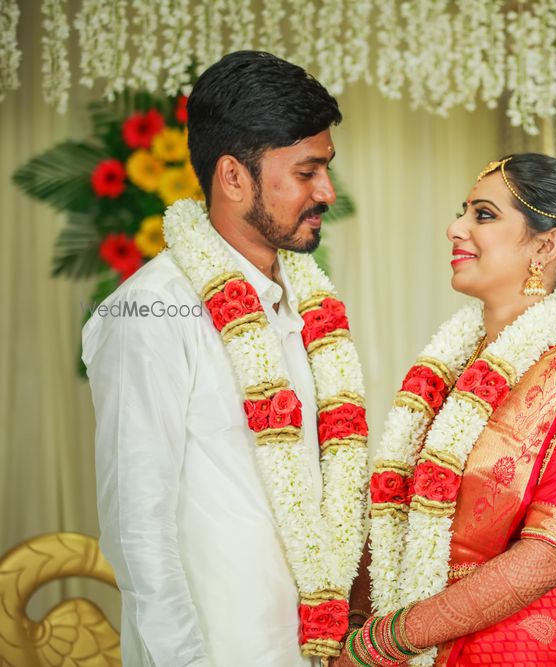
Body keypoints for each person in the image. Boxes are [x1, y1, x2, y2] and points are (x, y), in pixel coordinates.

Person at [83, 51, 369, 666]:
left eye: (327, 168)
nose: (327, 192)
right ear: (233, 177)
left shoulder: (308, 304)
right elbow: (138, 531)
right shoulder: (150, 313)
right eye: (306, 171)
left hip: (315, 650)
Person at [342, 153, 556, 666]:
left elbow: (546, 556)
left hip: (528, 646)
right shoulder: (453, 367)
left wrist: (387, 641)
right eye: (462, 212)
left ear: (546, 244)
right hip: (412, 637)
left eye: (483, 215)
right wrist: (356, 626)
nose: (455, 228)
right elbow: (392, 509)